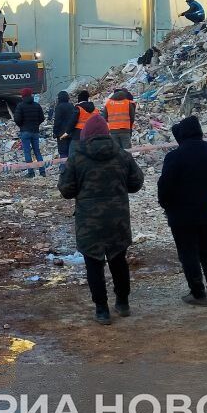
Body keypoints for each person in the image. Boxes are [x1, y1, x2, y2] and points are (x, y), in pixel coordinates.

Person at [58, 112, 144, 325]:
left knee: (94, 265)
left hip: (89, 222)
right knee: (118, 261)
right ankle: (123, 303)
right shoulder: (123, 155)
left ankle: (102, 310)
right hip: (118, 220)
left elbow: (66, 190)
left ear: (86, 135)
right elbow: (136, 183)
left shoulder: (77, 157)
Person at [158, 116, 207, 305]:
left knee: (188, 253)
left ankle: (197, 294)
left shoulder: (175, 156)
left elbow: (165, 186)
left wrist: (166, 205)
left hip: (181, 215)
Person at [13, 88, 47, 178]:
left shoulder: (20, 106)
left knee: (27, 152)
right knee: (37, 152)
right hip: (35, 132)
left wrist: (21, 126)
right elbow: (42, 118)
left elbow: (17, 119)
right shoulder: (37, 105)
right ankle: (42, 171)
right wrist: (36, 124)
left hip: (25, 132)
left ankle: (31, 172)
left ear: (23, 95)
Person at [51, 90, 75, 159]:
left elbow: (57, 121)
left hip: (61, 133)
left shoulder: (59, 107)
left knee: (63, 152)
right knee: (71, 151)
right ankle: (72, 167)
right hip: (71, 132)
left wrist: (55, 132)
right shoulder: (72, 106)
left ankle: (63, 168)